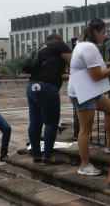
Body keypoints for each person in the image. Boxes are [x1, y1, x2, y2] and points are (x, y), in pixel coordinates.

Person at [68, 18, 110, 176]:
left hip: (87, 89)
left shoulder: (83, 45)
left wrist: (108, 64)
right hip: (83, 92)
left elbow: (93, 67)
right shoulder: (89, 48)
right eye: (103, 33)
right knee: (85, 129)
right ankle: (84, 165)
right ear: (95, 32)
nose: (105, 36)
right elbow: (97, 76)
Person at [27, 33, 72, 165]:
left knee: (35, 124)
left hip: (31, 87)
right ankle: (47, 156)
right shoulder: (59, 44)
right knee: (51, 123)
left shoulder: (42, 49)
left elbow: (58, 75)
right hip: (47, 88)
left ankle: (36, 155)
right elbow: (74, 64)